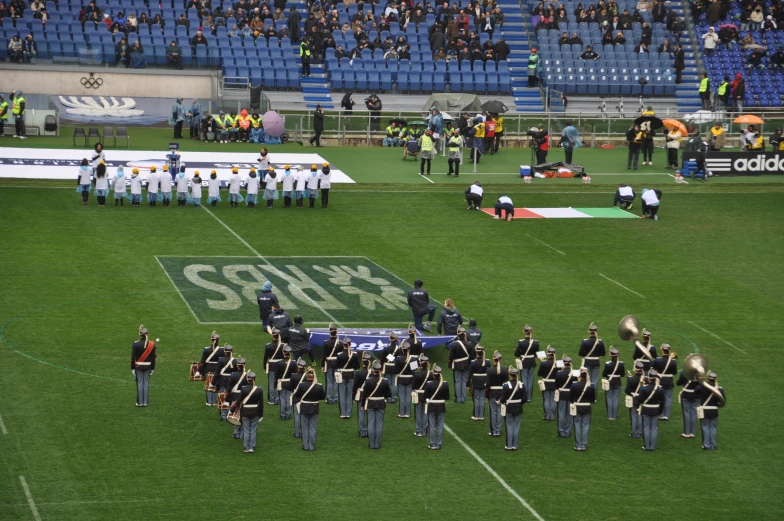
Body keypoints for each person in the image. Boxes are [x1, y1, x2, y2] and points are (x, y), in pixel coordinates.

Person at [292, 368, 326, 451]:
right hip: (314, 408)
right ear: (314, 377)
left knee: (304, 427)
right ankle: (312, 446)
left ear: (307, 376)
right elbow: (322, 397)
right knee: (313, 427)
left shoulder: (301, 385)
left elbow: (297, 395)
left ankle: (305, 446)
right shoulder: (319, 386)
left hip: (304, 407)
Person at [361, 361, 392, 449]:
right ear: (381, 370)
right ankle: (377, 444)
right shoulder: (385, 382)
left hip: (370, 403)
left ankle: (371, 444)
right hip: (381, 403)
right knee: (379, 424)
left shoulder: (368, 381)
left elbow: (364, 395)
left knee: (370, 424)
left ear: (373, 371)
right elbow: (388, 395)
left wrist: (363, 405)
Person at [233, 372, 264, 453]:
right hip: (255, 412)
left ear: (247, 379)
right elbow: (261, 404)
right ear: (255, 379)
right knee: (253, 430)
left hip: (245, 412)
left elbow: (238, 401)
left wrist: (232, 410)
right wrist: (261, 415)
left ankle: (246, 447)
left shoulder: (243, 389)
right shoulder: (259, 390)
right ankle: (252, 447)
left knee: (246, 430)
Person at [696, 371, 725, 450]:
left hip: (704, 410)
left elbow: (696, 393)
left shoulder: (701, 387)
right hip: (714, 411)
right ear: (715, 380)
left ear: (708, 378)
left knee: (705, 427)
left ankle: (706, 445)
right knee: (713, 428)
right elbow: (722, 402)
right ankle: (713, 445)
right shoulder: (720, 389)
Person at [423, 365, 449, 450]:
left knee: (432, 425)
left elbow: (425, 396)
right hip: (441, 406)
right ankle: (438, 444)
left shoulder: (429, 384)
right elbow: (447, 397)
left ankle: (432, 443)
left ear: (433, 375)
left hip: (431, 406)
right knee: (440, 426)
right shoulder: (445, 384)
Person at [638, 370, 664, 451]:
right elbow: (662, 402)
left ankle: (646, 446)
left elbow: (640, 400)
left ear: (649, 378)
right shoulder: (660, 389)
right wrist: (660, 411)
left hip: (646, 409)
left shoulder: (644, 388)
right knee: (654, 428)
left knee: (646, 428)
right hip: (656, 409)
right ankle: (653, 446)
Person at [570, 367, 595, 451]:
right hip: (587, 407)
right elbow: (593, 399)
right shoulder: (591, 386)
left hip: (577, 407)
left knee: (577, 425)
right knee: (585, 426)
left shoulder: (574, 385)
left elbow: (571, 398)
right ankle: (584, 445)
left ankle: (578, 445)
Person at [131, 326, 157, 407]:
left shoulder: (135, 344)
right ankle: (145, 402)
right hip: (148, 367)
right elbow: (153, 358)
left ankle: (140, 402)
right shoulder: (152, 344)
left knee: (140, 383)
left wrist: (132, 367)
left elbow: (133, 357)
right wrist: (152, 368)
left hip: (138, 367)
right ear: (147, 334)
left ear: (140, 334)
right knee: (146, 383)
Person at [651, 344, 677, 420]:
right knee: (668, 399)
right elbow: (675, 373)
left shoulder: (657, 360)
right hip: (669, 382)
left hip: (659, 381)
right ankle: (666, 415)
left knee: (659, 398)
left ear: (662, 351)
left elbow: (652, 368)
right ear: (669, 351)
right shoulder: (673, 362)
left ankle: (660, 414)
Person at [485, 351, 508, 437]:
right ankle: (498, 430)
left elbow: (487, 385)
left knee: (493, 412)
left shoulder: (490, 370)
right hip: (501, 393)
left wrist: (486, 395)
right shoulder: (505, 370)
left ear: (493, 359)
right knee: (499, 412)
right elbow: (506, 383)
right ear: (500, 360)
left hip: (492, 393)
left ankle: (493, 431)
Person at [513, 325, 538, 403]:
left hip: (523, 362)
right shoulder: (535, 342)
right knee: (530, 380)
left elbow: (516, 354)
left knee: (524, 380)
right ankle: (529, 398)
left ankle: (524, 397)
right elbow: (536, 354)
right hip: (532, 362)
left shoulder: (521, 342)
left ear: (524, 332)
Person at [336, 337, 360, 418]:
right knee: (349, 394)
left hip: (342, 375)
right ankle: (348, 413)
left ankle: (343, 413)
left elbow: (337, 365)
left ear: (344, 345)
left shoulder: (339, 355)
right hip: (350, 375)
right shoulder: (354, 355)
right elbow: (357, 366)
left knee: (342, 395)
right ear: (350, 344)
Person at [579, 322, 605, 393]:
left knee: (587, 378)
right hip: (596, 362)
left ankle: (588, 394)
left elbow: (580, 353)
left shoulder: (585, 342)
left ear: (589, 332)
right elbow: (603, 353)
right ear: (596, 331)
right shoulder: (600, 342)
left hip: (587, 362)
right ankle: (594, 396)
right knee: (595, 380)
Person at [554, 356, 576, 438]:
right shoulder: (575, 373)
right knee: (570, 414)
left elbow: (556, 385)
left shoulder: (559, 373)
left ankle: (561, 431)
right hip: (571, 395)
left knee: (561, 414)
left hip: (562, 394)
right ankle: (568, 432)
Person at [412, 354, 433, 437]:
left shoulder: (416, 374)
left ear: (420, 364)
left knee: (418, 413)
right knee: (425, 413)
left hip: (418, 394)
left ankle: (419, 431)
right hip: (427, 394)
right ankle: (424, 431)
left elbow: (413, 386)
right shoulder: (431, 374)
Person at [199, 332, 222, 407]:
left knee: (208, 385)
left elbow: (202, 361)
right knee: (215, 384)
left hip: (208, 369)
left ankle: (209, 402)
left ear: (211, 340)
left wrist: (199, 371)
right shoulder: (221, 350)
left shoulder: (206, 350)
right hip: (217, 369)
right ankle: (214, 401)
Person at [228, 358, 249, 439]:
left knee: (235, 415)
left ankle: (236, 433)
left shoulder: (233, 375)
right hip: (244, 397)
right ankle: (242, 434)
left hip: (235, 397)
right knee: (243, 415)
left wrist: (227, 399)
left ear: (237, 365)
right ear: (244, 365)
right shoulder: (248, 375)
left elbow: (229, 388)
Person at [394, 340, 416, 418]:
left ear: (402, 350)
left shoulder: (399, 359)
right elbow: (414, 371)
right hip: (410, 379)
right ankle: (407, 413)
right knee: (408, 396)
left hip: (401, 379)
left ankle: (401, 413)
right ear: (409, 349)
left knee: (402, 396)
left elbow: (395, 370)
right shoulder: (413, 359)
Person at [602, 347, 625, 420]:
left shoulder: (607, 364)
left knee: (609, 398)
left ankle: (609, 416)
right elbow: (623, 374)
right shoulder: (621, 364)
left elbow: (604, 374)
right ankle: (614, 416)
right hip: (617, 382)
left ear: (611, 355)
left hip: (609, 382)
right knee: (616, 399)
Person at [275, 345, 297, 421]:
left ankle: (282, 415)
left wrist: (275, 385)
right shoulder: (293, 363)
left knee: (282, 399)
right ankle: (288, 414)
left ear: (283, 353)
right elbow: (295, 375)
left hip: (282, 383)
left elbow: (276, 376)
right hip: (290, 383)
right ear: (290, 353)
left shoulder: (279, 363)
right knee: (288, 399)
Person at [263, 328, 284, 405]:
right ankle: (278, 399)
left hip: (271, 366)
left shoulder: (268, 346)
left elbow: (265, 358)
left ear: (273, 336)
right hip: (281, 366)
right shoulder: (283, 346)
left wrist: (265, 367)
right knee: (279, 382)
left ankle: (272, 400)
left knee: (271, 383)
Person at [625, 361, 645, 439]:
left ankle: (634, 432)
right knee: (639, 415)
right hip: (641, 398)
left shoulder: (631, 379)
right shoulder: (645, 379)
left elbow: (626, 390)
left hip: (633, 399)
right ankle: (639, 432)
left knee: (633, 416)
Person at [538, 346, 557, 420]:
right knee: (553, 400)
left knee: (546, 399)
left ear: (548, 354)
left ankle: (547, 415)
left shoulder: (543, 363)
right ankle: (552, 415)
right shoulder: (558, 363)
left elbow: (539, 374)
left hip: (545, 383)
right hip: (554, 383)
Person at [290, 358, 308, 438]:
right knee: (303, 416)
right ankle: (303, 432)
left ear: (298, 367)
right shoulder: (307, 376)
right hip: (305, 397)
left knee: (297, 416)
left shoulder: (293, 376)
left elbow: (290, 387)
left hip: (296, 397)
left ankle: (297, 433)